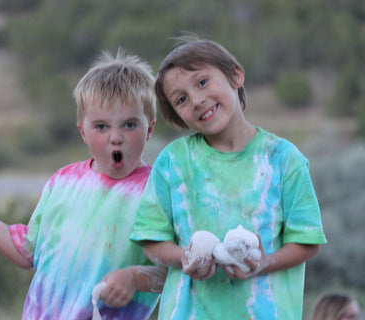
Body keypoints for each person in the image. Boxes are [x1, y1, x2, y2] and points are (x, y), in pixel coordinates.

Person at [0, 49, 167, 319]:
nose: (115, 138)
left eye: (129, 125)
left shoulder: (158, 193)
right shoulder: (63, 182)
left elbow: (176, 273)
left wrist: (134, 278)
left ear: (150, 128)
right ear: (83, 131)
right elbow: (26, 251)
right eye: (101, 127)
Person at [130, 35, 327, 319]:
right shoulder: (172, 162)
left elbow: (307, 242)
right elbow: (152, 242)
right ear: (177, 115)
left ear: (236, 75)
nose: (197, 100)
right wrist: (185, 258)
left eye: (202, 82)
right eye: (181, 99)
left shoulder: (284, 159)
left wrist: (263, 262)